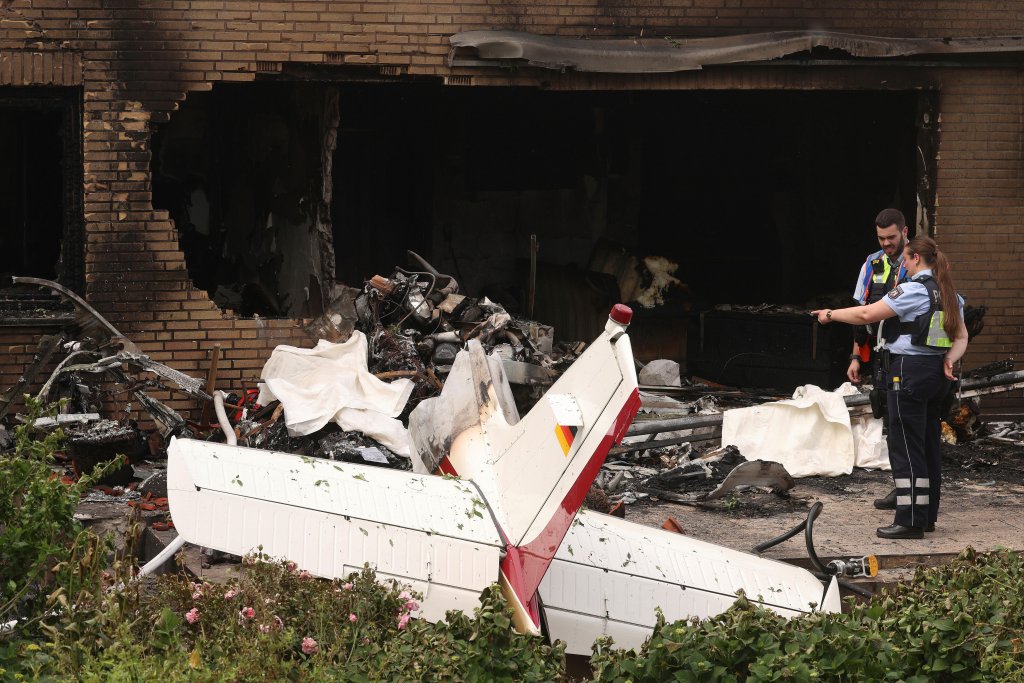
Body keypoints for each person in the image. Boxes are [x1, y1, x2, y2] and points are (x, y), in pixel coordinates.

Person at [813, 236, 968, 539]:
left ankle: (909, 521)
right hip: (936, 374)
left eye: (906, 260)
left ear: (916, 259)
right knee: (927, 445)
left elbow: (866, 314)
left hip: (908, 372)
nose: (904, 266)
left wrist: (829, 315)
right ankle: (926, 516)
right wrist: (949, 359)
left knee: (906, 446)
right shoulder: (951, 295)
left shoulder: (912, 291)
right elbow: (961, 337)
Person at [849, 209, 910, 511]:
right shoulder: (872, 263)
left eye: (892, 237)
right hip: (883, 356)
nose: (886, 243)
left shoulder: (920, 262)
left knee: (910, 425)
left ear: (905, 232)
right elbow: (862, 316)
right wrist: (855, 357)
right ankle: (902, 488)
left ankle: (915, 496)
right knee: (890, 422)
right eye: (881, 238)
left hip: (911, 358)